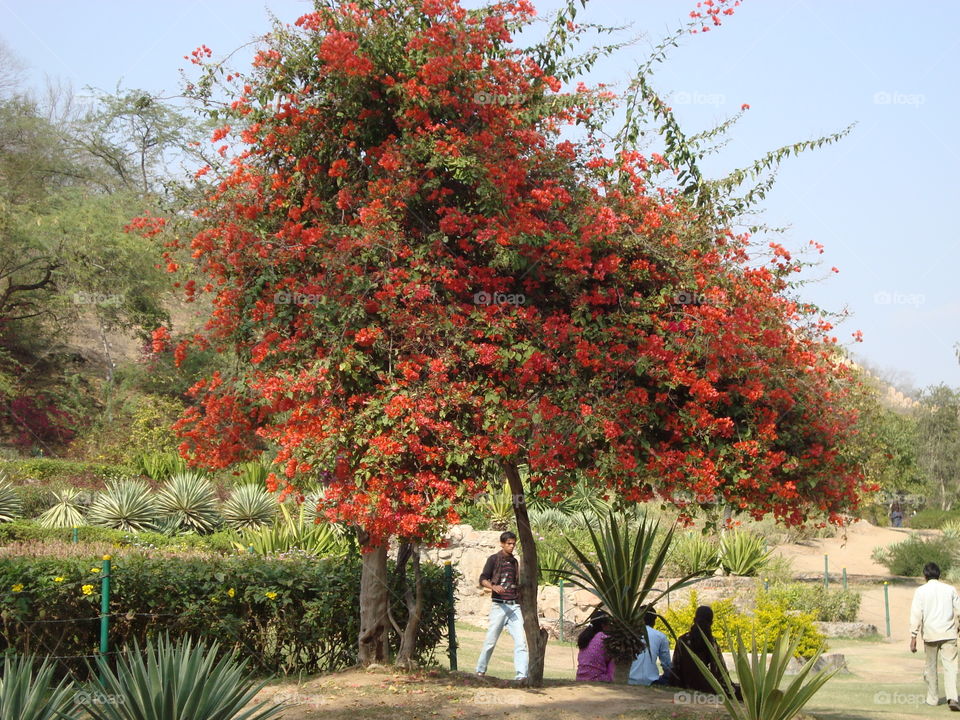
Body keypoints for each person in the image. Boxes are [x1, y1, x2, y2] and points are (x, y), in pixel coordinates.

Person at [476, 531, 528, 680]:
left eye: (513, 544)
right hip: (499, 606)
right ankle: (480, 670)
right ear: (502, 544)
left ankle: (522, 675)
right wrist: (493, 587)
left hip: (514, 606)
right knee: (491, 640)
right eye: (508, 544)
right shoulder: (493, 559)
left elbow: (516, 581)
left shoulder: (514, 562)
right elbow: (483, 578)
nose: (511, 546)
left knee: (521, 642)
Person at [910, 561, 960, 709]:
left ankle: (932, 699)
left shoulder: (921, 591)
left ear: (925, 575)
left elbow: (916, 614)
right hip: (949, 633)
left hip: (931, 634)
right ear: (939, 575)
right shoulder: (950, 589)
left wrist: (913, 636)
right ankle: (953, 698)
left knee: (931, 667)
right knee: (951, 666)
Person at [670, 605, 740, 699]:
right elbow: (720, 671)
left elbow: (675, 667)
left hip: (686, 685)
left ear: (694, 620)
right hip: (709, 688)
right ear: (711, 622)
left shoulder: (682, 640)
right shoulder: (711, 643)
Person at [628, 608, 672, 686]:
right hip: (651, 680)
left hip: (630, 678)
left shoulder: (629, 634)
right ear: (654, 620)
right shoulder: (660, 636)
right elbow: (666, 664)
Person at [576, 611, 615, 682]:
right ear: (603, 625)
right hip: (597, 679)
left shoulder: (586, 637)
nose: (611, 627)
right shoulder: (605, 638)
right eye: (610, 624)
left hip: (580, 678)